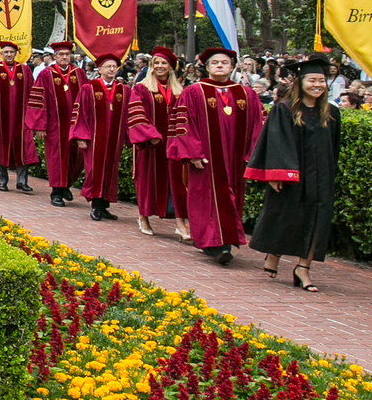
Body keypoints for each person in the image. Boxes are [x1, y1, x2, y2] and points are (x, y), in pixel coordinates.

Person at [248, 54, 341, 290]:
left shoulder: (331, 113)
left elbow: (334, 146)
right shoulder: (285, 110)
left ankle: (303, 268)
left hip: (321, 177)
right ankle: (274, 253)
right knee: (286, 217)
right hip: (293, 176)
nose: (317, 85)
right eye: (312, 80)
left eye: (321, 80)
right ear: (299, 82)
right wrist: (276, 174)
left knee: (317, 222)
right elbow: (277, 142)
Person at [167, 46, 264, 265]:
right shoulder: (193, 92)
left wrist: (253, 154)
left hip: (236, 159)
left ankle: (222, 243)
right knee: (206, 199)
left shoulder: (245, 94)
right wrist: (192, 153)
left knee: (231, 198)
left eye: (224, 63)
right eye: (215, 63)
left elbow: (258, 125)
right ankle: (215, 244)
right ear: (207, 67)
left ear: (232, 67)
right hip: (204, 158)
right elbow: (184, 124)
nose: (220, 66)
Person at [126, 48, 187, 239]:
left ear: (170, 68)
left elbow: (188, 117)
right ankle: (143, 217)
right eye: (157, 63)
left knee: (177, 182)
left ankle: (181, 224)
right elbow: (136, 113)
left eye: (164, 64)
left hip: (174, 145)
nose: (160, 67)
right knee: (147, 181)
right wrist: (149, 134)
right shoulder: (141, 88)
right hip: (150, 145)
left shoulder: (179, 91)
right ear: (151, 67)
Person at [26, 41, 85, 208]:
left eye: (67, 54)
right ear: (55, 57)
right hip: (54, 126)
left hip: (75, 125)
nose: (64, 57)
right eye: (61, 55)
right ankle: (56, 192)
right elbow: (38, 101)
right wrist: (39, 125)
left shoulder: (79, 73)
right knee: (56, 158)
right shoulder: (46, 74)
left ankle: (66, 185)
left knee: (76, 157)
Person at [70, 52, 128, 221]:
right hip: (94, 139)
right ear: (99, 69)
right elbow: (80, 113)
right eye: (108, 66)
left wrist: (129, 137)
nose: (111, 69)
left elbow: (130, 114)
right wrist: (81, 136)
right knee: (94, 170)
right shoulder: (89, 88)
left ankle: (104, 206)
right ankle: (96, 205)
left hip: (114, 140)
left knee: (110, 170)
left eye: (114, 67)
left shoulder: (123, 90)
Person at [0, 41, 36, 192]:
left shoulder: (25, 70)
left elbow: (33, 93)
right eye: (6, 52)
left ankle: (22, 181)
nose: (9, 54)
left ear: (16, 54)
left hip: (20, 116)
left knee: (24, 147)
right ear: (1, 54)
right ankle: (2, 181)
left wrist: (33, 115)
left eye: (12, 52)